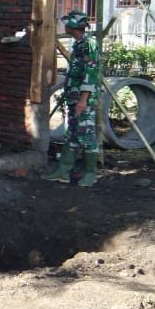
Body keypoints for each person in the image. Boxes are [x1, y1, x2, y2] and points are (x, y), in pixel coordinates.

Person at [43, 10, 101, 186]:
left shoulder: (89, 44)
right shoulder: (78, 44)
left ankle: (90, 174)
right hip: (74, 98)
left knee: (87, 135)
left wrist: (83, 99)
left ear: (74, 26)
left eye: (67, 24)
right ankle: (63, 171)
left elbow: (91, 73)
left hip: (84, 101)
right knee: (72, 134)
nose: (65, 26)